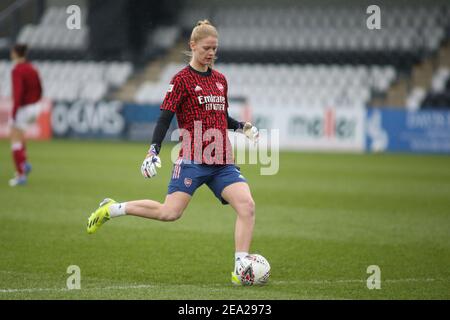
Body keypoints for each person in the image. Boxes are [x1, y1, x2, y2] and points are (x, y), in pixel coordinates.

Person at [86, 20, 260, 285]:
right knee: (170, 213)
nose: (211, 53)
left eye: (215, 48)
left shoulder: (220, 80)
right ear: (192, 46)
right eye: (206, 48)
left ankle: (240, 267)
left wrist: (241, 127)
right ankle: (113, 208)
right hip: (193, 159)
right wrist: (153, 151)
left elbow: (220, 116)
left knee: (247, 206)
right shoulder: (181, 80)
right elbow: (164, 119)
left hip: (222, 160)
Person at [8, 44, 42, 187]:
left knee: (14, 139)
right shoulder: (32, 68)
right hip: (35, 106)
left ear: (15, 53)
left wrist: (15, 111)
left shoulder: (17, 70)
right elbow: (40, 88)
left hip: (23, 107)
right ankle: (25, 163)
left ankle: (20, 174)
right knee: (21, 135)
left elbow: (18, 92)